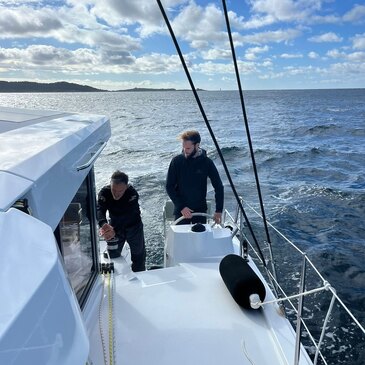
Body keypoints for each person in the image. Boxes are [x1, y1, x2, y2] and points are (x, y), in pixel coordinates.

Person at [166, 130, 224, 225]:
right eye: (183, 148)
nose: (185, 151)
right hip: (181, 211)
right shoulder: (176, 161)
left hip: (200, 211)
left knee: (200, 239)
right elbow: (169, 186)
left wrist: (219, 211)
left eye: (188, 148)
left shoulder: (207, 162)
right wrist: (181, 207)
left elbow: (218, 187)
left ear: (197, 145)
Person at [97, 170, 146, 272]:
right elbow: (99, 210)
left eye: (120, 191)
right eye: (114, 190)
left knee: (138, 257)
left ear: (126, 187)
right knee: (111, 256)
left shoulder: (132, 194)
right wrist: (104, 225)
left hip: (134, 227)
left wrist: (112, 230)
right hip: (114, 225)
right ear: (110, 184)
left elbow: (127, 215)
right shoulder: (104, 193)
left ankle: (139, 279)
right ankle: (110, 279)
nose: (116, 194)